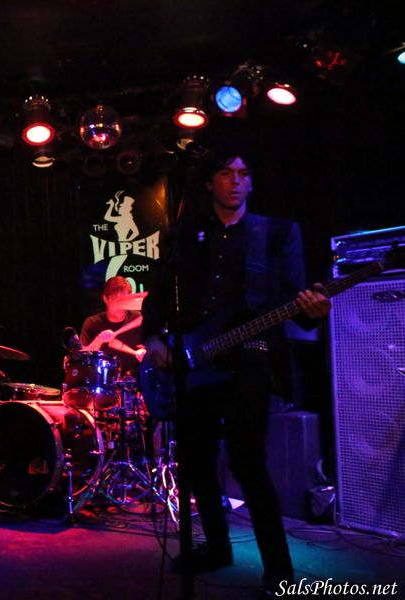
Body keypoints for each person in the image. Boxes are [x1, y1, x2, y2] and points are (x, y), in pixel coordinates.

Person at [141, 144, 330, 595]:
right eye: (227, 173)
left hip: (251, 357)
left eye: (244, 174)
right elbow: (159, 296)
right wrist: (154, 340)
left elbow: (297, 299)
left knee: (249, 463)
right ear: (210, 182)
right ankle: (217, 546)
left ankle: (279, 571)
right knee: (197, 462)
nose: (237, 181)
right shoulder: (184, 235)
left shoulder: (276, 233)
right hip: (193, 361)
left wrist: (314, 311)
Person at [79, 275, 146, 376]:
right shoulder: (92, 323)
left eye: (125, 300)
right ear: (105, 299)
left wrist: (145, 352)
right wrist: (98, 340)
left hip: (135, 380)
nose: (121, 306)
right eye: (117, 300)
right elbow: (82, 361)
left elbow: (155, 349)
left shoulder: (138, 318)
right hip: (103, 380)